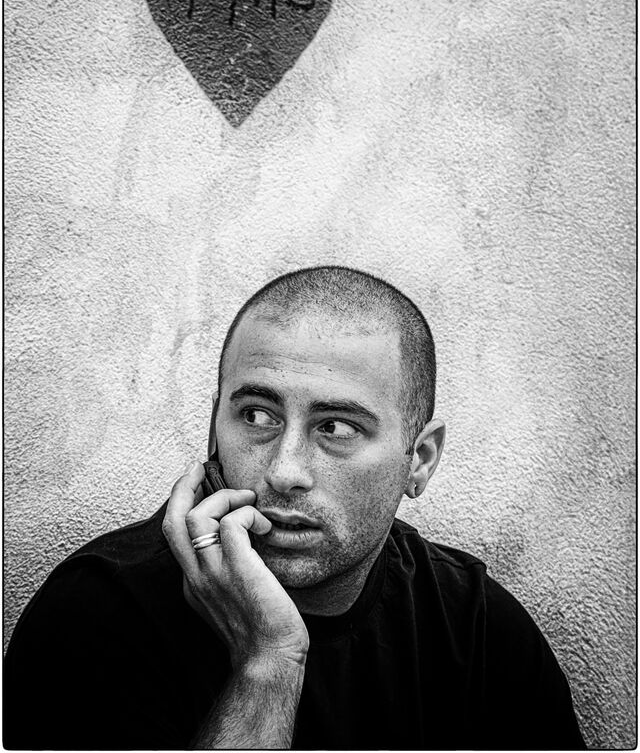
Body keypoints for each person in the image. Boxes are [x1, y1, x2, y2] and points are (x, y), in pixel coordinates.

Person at [4, 266, 585, 750]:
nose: (284, 471)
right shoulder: (99, 613)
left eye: (336, 428)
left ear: (420, 459)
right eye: (257, 415)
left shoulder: (475, 633)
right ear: (214, 427)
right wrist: (268, 664)